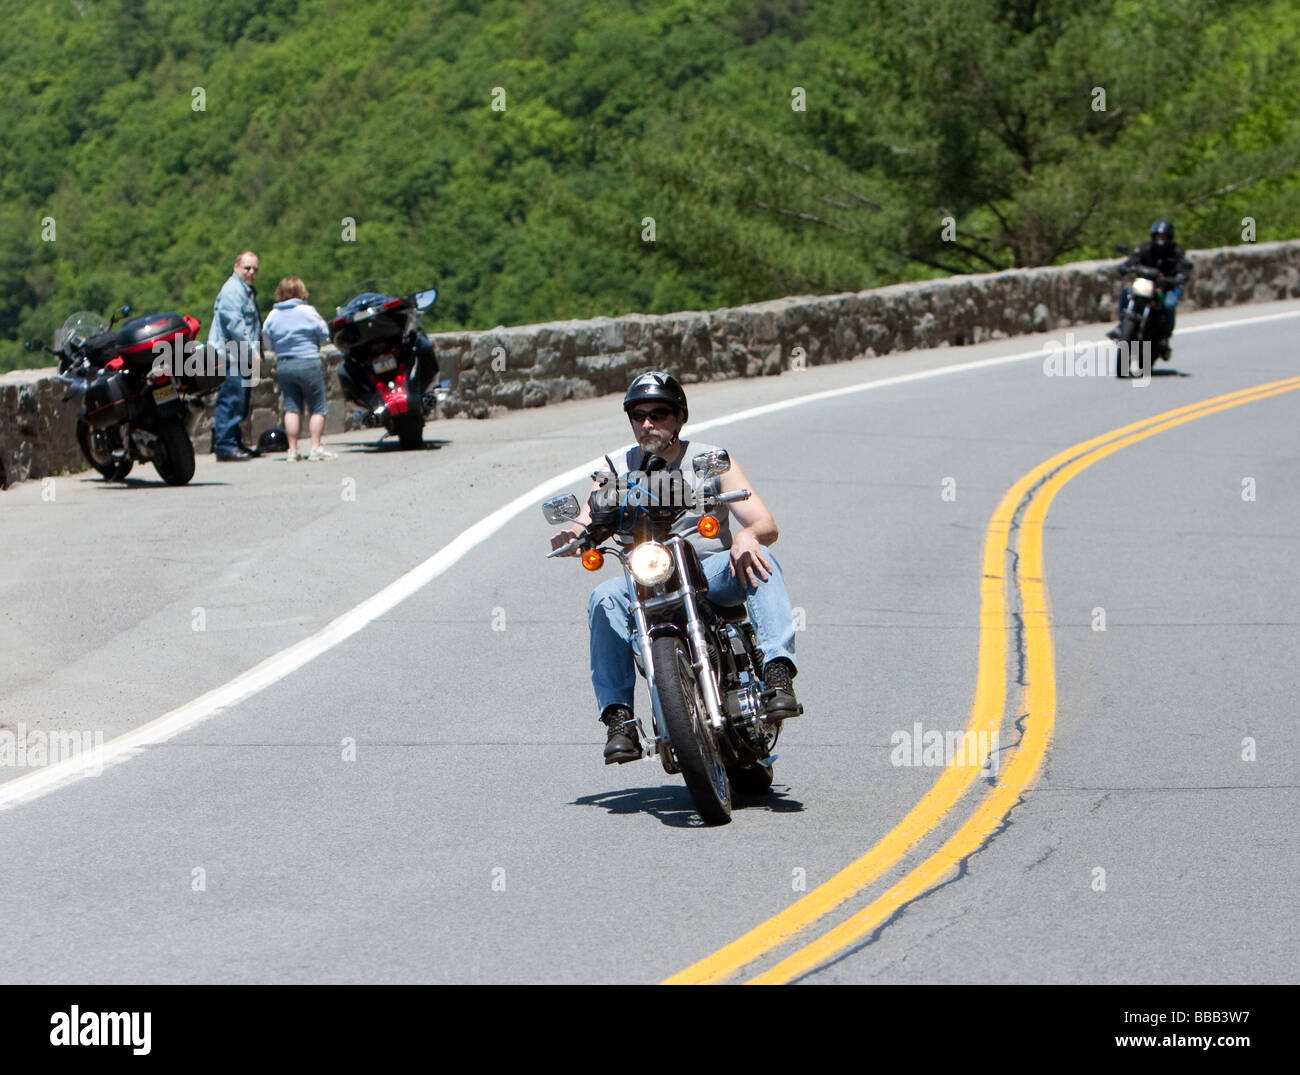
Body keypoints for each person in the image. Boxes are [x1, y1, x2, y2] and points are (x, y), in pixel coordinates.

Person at [549, 372, 801, 764]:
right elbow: (587, 517)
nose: (647, 423)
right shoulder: (615, 469)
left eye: (659, 413)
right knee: (603, 597)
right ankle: (620, 721)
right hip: (647, 579)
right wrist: (574, 533)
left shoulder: (711, 460)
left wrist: (747, 537)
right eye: (638, 415)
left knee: (762, 560)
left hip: (709, 571)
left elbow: (764, 523)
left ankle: (778, 673)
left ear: (679, 417)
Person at [262, 276, 336, 462]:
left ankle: (293, 450)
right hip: (308, 361)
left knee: (292, 407)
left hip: (285, 364)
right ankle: (316, 448)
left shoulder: (273, 315)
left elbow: (267, 340)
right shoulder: (308, 311)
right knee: (317, 406)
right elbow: (324, 334)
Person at [210, 251, 263, 461]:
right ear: (236, 267)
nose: (251, 272)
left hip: (240, 357)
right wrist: (251, 353)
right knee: (231, 400)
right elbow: (236, 327)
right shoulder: (232, 291)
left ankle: (235, 442)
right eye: (246, 268)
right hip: (231, 357)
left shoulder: (245, 290)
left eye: (254, 269)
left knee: (240, 401)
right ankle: (225, 446)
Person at [1108, 219, 1192, 349]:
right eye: (1158, 236)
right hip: (1145, 285)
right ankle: (1121, 325)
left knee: (1169, 304)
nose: (1160, 240)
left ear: (1169, 237)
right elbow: (1132, 260)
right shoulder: (1146, 248)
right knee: (1127, 293)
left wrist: (1179, 278)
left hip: (1165, 288)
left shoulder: (1176, 252)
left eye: (1163, 237)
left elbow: (1184, 268)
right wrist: (1125, 267)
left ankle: (1165, 336)